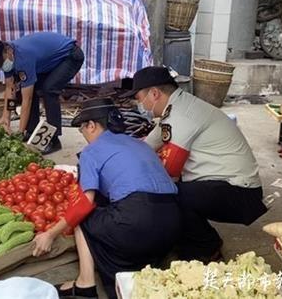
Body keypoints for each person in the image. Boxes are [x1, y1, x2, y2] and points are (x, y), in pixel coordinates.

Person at [32, 98, 181, 299]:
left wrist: (50, 234)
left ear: (91, 125)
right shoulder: (141, 145)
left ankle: (85, 284)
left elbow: (84, 203)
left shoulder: (91, 152)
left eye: (82, 129)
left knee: (82, 217)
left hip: (136, 221)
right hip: (173, 224)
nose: (83, 135)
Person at [122, 66, 268, 262]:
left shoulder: (183, 115)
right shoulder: (175, 109)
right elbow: (147, 147)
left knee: (169, 194)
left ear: (154, 93)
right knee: (167, 191)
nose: (141, 106)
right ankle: (189, 237)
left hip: (240, 192)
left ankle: (207, 247)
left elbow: (170, 171)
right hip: (222, 184)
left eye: (140, 99)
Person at [0, 33, 84, 154]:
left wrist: (19, 132)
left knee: (49, 90)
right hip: (48, 61)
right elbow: (10, 89)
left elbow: (27, 100)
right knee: (31, 88)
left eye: (1, 61)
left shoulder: (23, 58)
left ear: (7, 50)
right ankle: (31, 130)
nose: (2, 65)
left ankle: (54, 139)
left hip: (70, 56)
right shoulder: (8, 60)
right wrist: (5, 117)